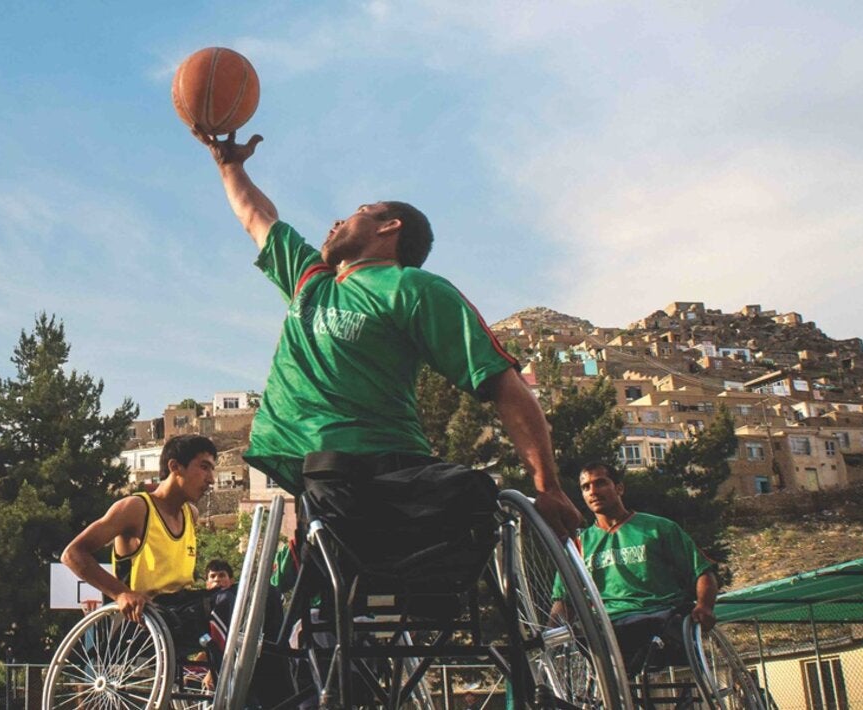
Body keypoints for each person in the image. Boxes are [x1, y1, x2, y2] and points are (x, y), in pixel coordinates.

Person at [192, 128, 580, 535]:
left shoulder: (413, 288)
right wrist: (230, 165)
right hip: (318, 476)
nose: (339, 220)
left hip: (385, 466)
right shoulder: (310, 280)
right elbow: (257, 216)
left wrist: (548, 487)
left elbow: (503, 383)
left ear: (389, 226)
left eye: (361, 209)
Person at [575, 461, 718, 670]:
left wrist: (704, 605)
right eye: (586, 487)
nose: (593, 491)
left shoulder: (658, 528)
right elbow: (563, 598)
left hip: (659, 616)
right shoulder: (579, 544)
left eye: (601, 483)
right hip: (607, 626)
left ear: (619, 488)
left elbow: (702, 572)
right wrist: (547, 637)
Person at [61, 434, 218, 624]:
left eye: (212, 469)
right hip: (148, 615)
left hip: (181, 607)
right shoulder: (136, 508)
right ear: (175, 467)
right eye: (204, 467)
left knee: (244, 595)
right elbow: (72, 554)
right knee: (226, 601)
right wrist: (121, 593)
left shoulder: (190, 514)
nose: (211, 479)